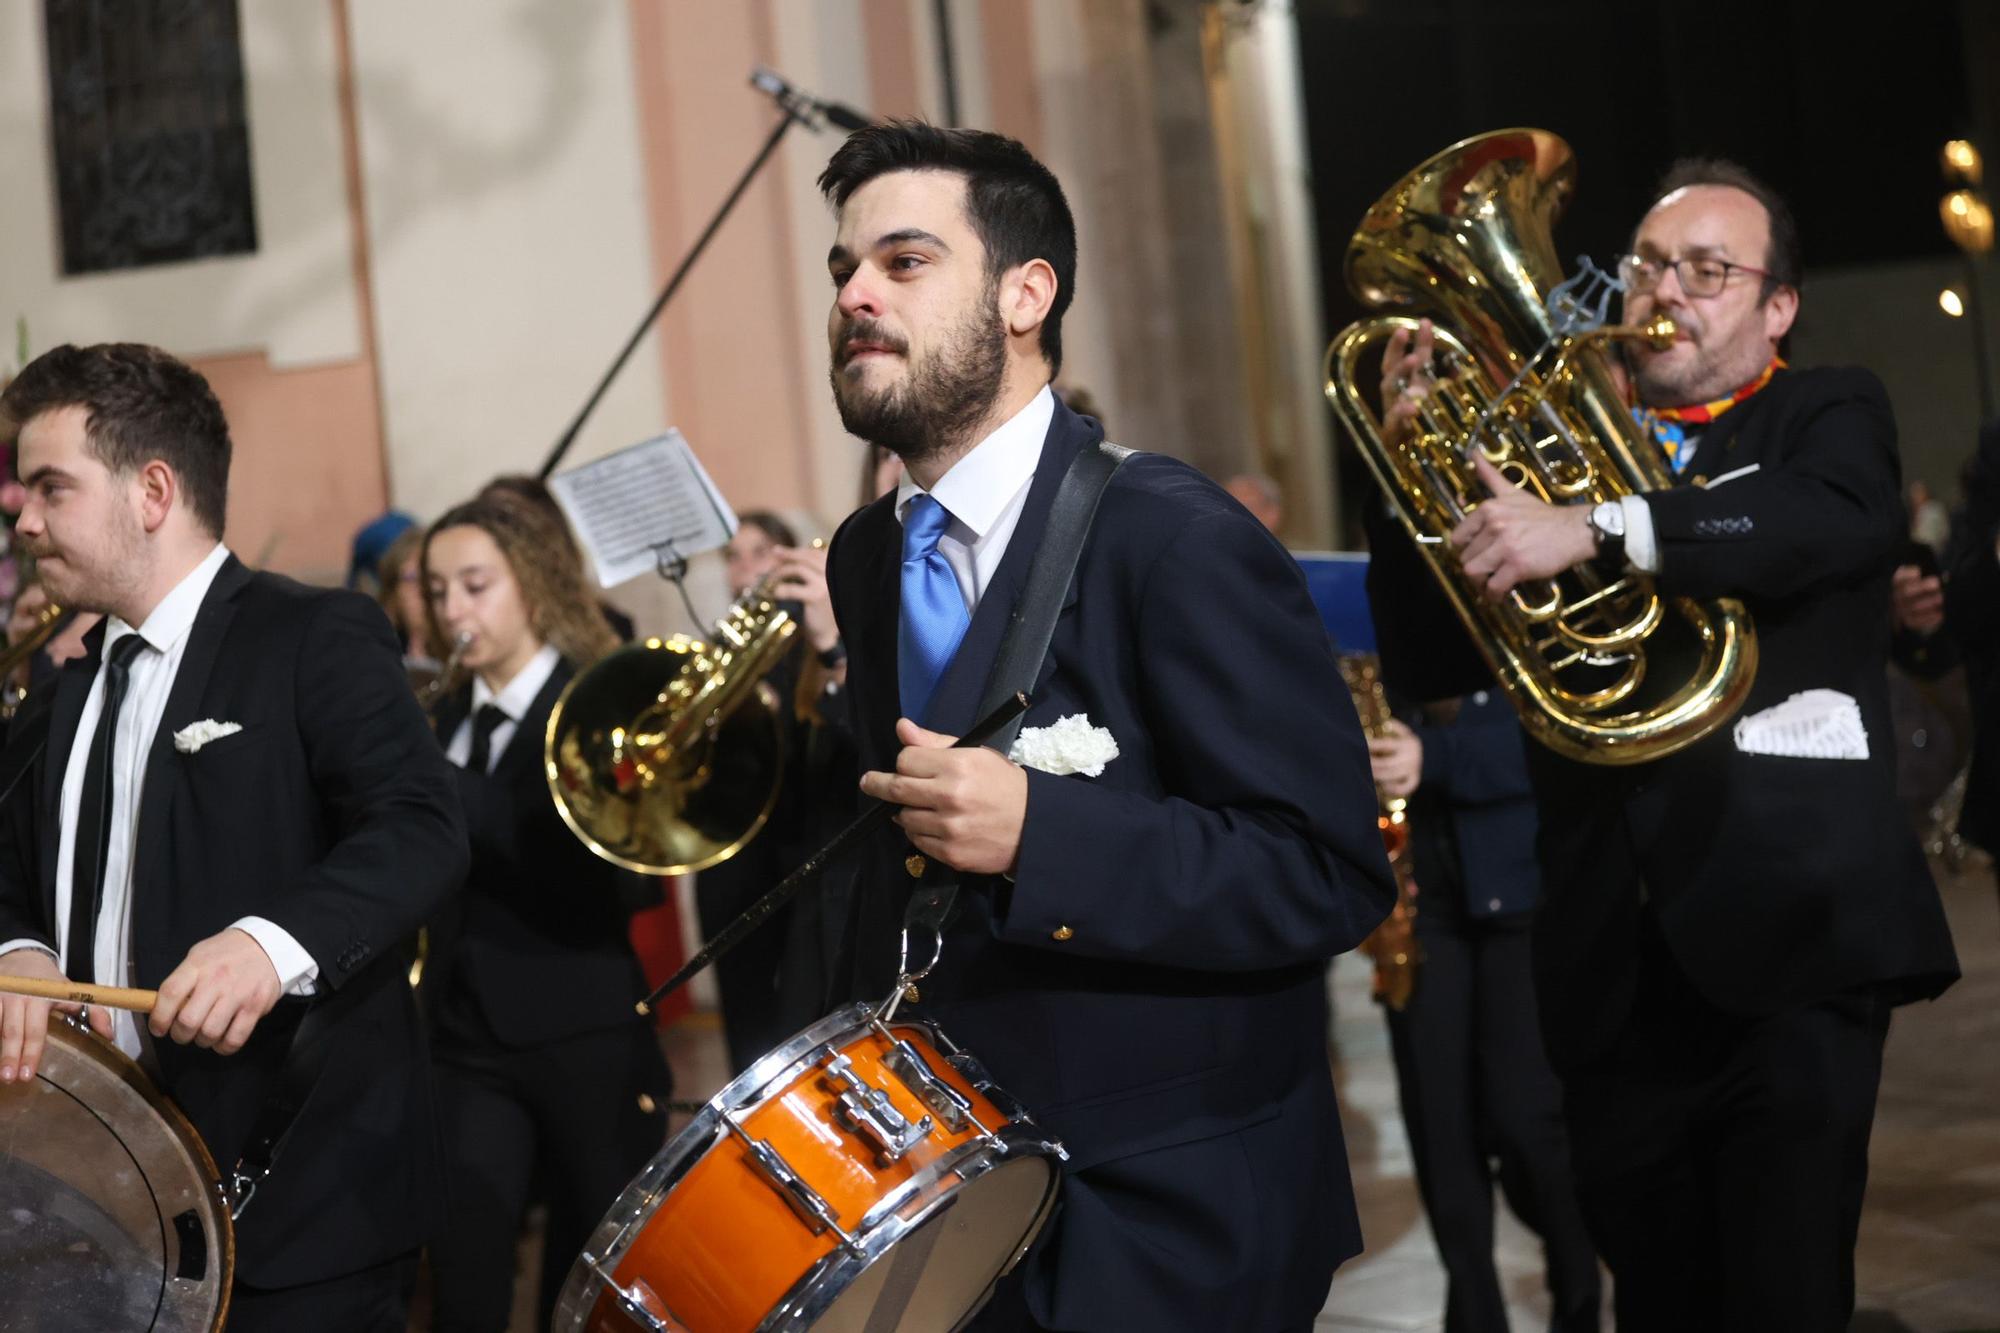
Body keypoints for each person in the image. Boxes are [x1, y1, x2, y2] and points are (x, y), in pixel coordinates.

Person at [817, 122, 1394, 1332]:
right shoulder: (866, 554)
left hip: (1168, 1213)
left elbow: (1327, 870)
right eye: (842, 271)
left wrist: (1046, 835)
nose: (855, 294)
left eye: (903, 262)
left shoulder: (1174, 535)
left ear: (1027, 294)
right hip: (959, 1199)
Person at [1386, 160, 1960, 1327]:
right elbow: (1436, 665)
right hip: (1611, 964)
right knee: (1656, 1304)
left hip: (1793, 942)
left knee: (1785, 1295)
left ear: (1775, 309)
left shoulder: (1823, 410)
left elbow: (1831, 523)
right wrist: (1410, 492)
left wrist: (1594, 526)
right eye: (1650, 264)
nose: (1666, 291)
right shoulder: (1552, 448)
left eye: (1708, 271)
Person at [0, 342, 468, 1331]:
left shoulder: (311, 635)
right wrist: (19, 946)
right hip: (97, 1206)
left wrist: (270, 942)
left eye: (49, 487)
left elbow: (420, 824)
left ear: (153, 489)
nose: (22, 516)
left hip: (294, 1203)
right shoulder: (67, 685)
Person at [417, 491, 672, 1331]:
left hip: (580, 1029)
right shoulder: (445, 710)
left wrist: (429, 777)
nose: (453, 609)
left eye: (475, 584)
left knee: (590, 1272)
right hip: (460, 1035)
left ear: (531, 582)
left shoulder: (594, 698)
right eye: (437, 588)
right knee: (465, 1274)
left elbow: (609, 878)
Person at [1359, 661, 1601, 1331]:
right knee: (1440, 1127)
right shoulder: (1395, 619)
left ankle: (1578, 1284)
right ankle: (1472, 1305)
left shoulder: (1531, 603)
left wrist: (1432, 755)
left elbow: (1564, 737)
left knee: (1529, 1121)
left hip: (1524, 904)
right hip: (1422, 908)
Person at [697, 509, 857, 1072]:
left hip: (797, 844)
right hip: (733, 850)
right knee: (743, 1004)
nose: (744, 568)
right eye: (733, 556)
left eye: (759, 552)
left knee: (801, 1006)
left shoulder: (815, 639)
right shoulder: (719, 647)